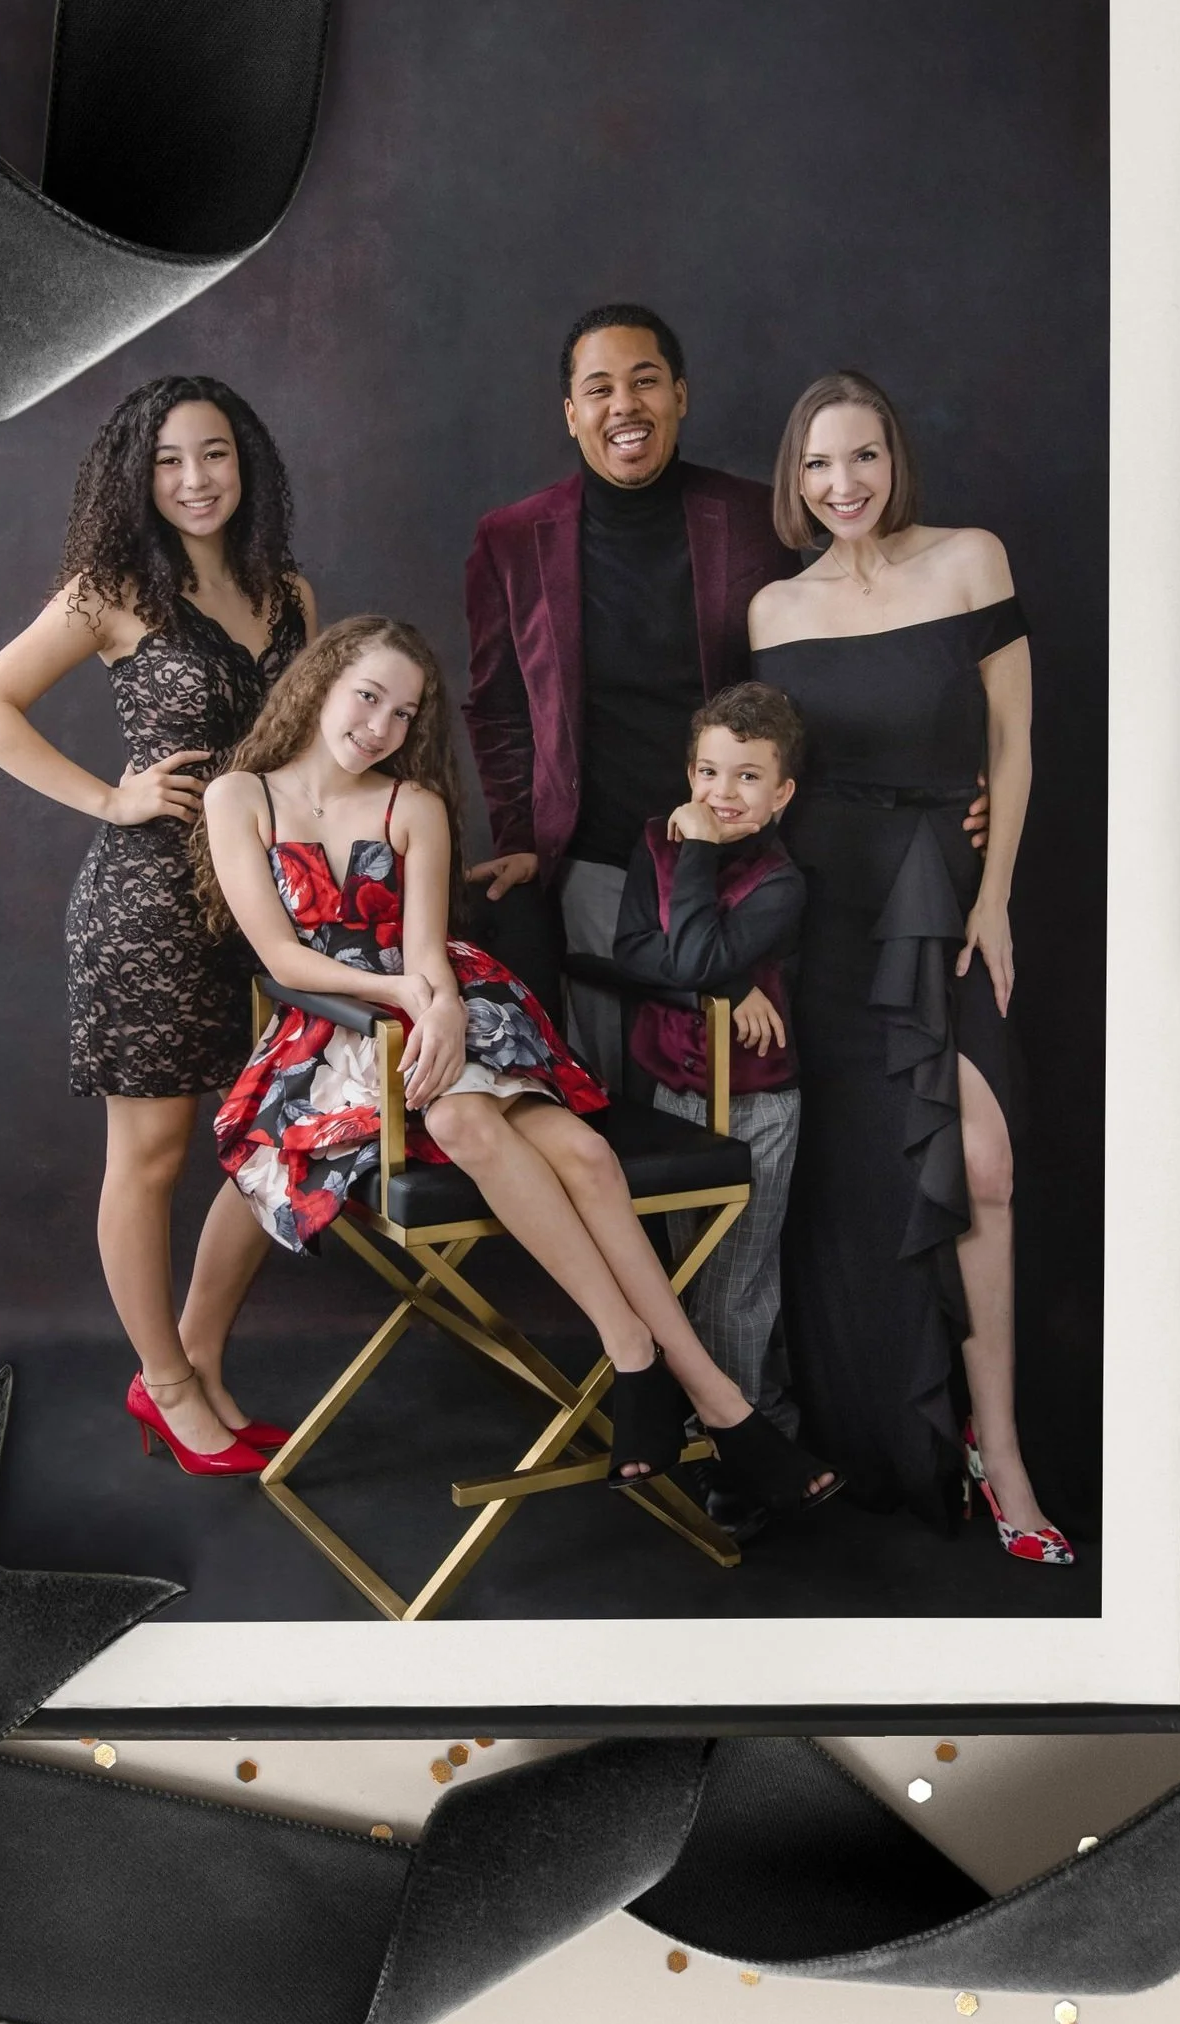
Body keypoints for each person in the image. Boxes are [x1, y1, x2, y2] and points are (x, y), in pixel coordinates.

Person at [200, 616, 843, 1512]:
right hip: (342, 1023)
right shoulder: (239, 796)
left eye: (402, 712)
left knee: (579, 1151)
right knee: (467, 1118)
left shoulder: (411, 804)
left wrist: (447, 1012)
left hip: (452, 1003)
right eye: (367, 697)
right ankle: (695, 1393)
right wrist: (407, 1006)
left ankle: (669, 1382)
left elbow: (428, 948)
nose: (379, 725)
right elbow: (282, 956)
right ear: (321, 683)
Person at [749, 370, 1071, 1562]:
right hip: (828, 916)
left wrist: (995, 898)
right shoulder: (775, 612)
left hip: (945, 894)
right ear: (796, 477)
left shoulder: (970, 559)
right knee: (873, 1187)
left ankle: (1004, 1453)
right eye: (822, 464)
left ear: (895, 459)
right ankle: (891, 1438)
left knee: (980, 1165)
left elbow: (1014, 745)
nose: (845, 484)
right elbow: (771, 787)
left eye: (865, 456)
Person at [0, 373, 315, 1479]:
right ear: (140, 474)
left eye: (212, 454)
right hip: (150, 906)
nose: (194, 478)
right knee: (155, 1152)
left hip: (263, 906)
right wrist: (111, 796)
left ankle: (194, 1360)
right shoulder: (113, 588)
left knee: (271, 1139)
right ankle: (165, 1385)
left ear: (244, 460)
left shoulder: (290, 594)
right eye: (169, 460)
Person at [462, 304, 792, 1089]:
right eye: (600, 387)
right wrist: (518, 832)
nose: (625, 405)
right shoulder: (510, 538)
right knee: (607, 1095)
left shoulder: (757, 519)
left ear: (680, 392)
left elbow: (815, 669)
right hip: (599, 867)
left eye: (645, 381)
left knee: (730, 1093)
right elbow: (499, 706)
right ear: (572, 413)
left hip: (740, 864)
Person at [611, 682, 810, 1521]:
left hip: (755, 1107)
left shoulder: (780, 880)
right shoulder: (652, 842)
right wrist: (724, 982)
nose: (722, 795)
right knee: (679, 1273)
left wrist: (694, 857)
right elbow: (632, 953)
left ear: (782, 794)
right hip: (670, 1093)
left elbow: (684, 953)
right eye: (708, 771)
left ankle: (751, 1447)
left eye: (748, 778)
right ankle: (700, 1420)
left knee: (733, 1285)